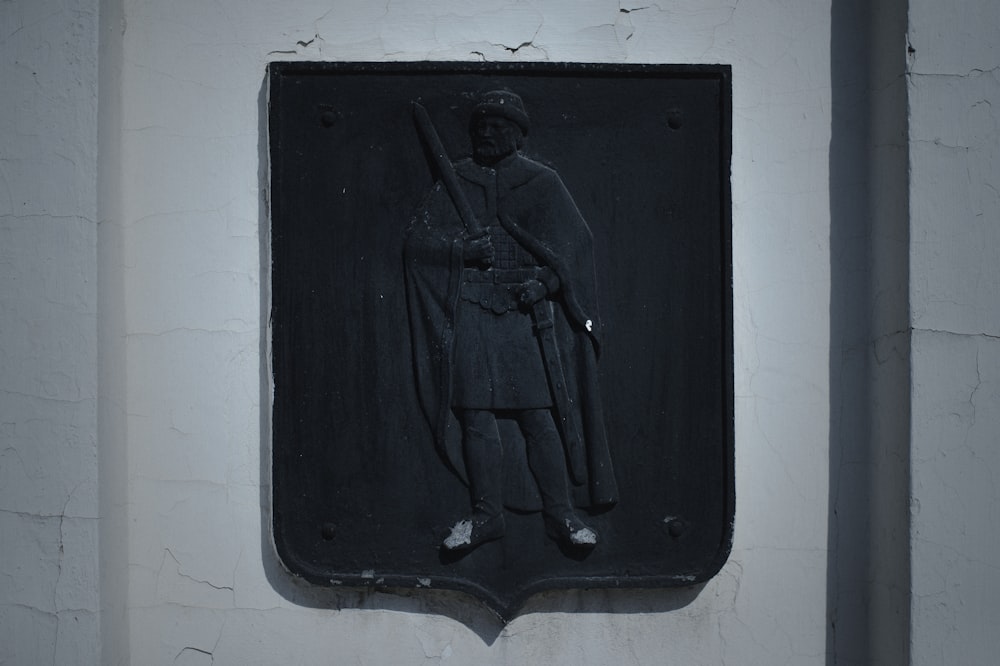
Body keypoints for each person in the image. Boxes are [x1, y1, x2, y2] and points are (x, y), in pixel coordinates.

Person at [404, 90, 617, 551]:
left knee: (537, 417)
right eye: (480, 124)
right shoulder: (455, 179)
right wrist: (460, 251)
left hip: (526, 318)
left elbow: (574, 250)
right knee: (476, 418)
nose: (486, 132)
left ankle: (561, 512)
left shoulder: (541, 182)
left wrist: (543, 284)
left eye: (498, 125)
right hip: (473, 313)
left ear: (518, 134)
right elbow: (418, 245)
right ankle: (486, 515)